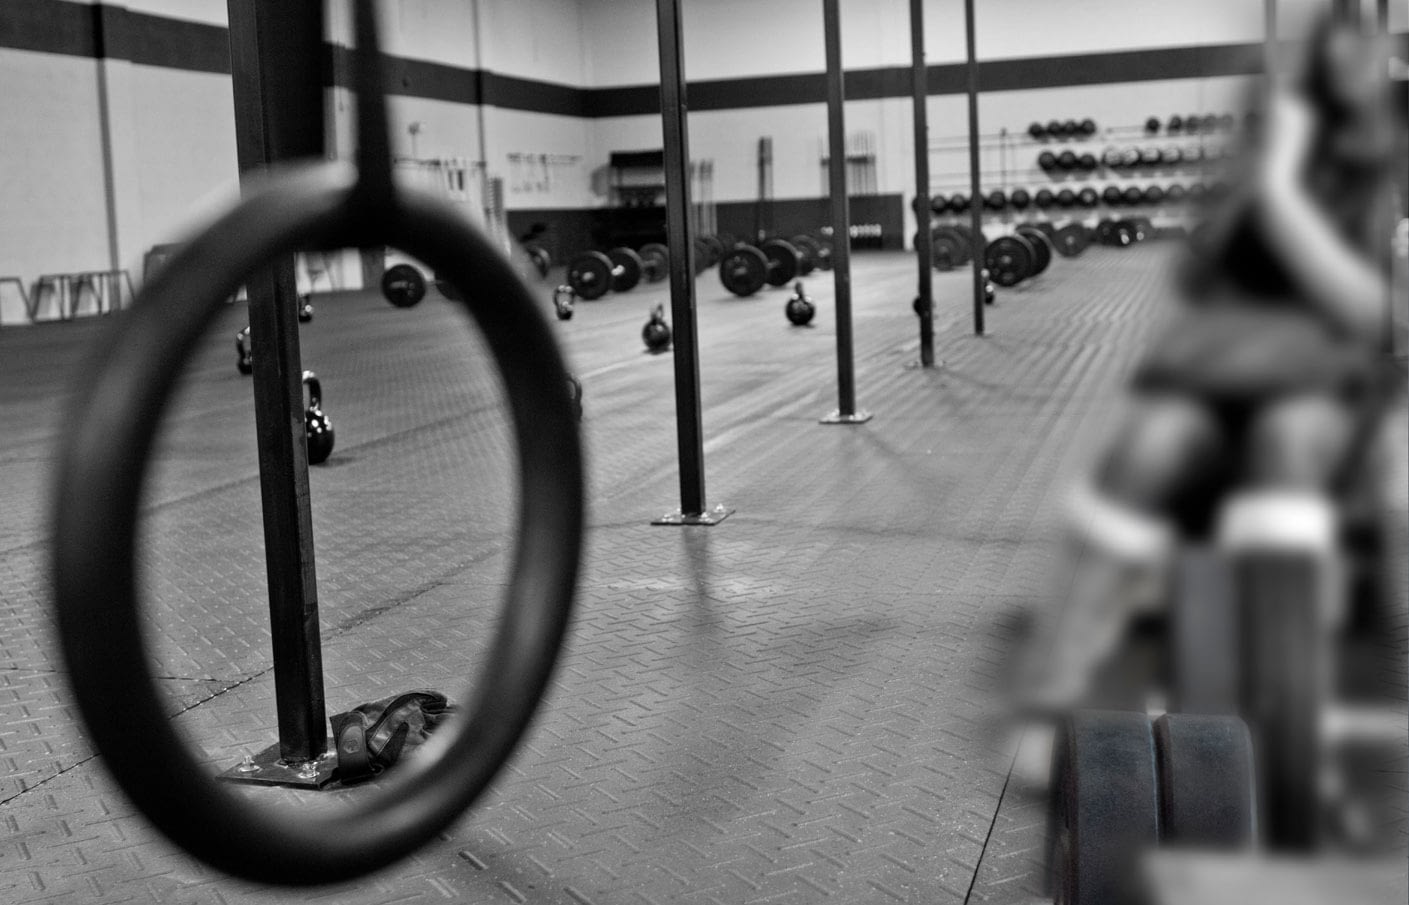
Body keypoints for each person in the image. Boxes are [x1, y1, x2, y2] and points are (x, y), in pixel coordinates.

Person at [1018, 18, 1405, 717]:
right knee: (1150, 443)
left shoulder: (1375, 187)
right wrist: (1266, 179)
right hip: (1228, 381)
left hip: (1334, 390)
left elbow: (1370, 313)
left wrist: (1282, 188)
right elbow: (1199, 280)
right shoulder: (1256, 178)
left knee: (1287, 438)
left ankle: (1282, 688)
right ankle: (1062, 668)